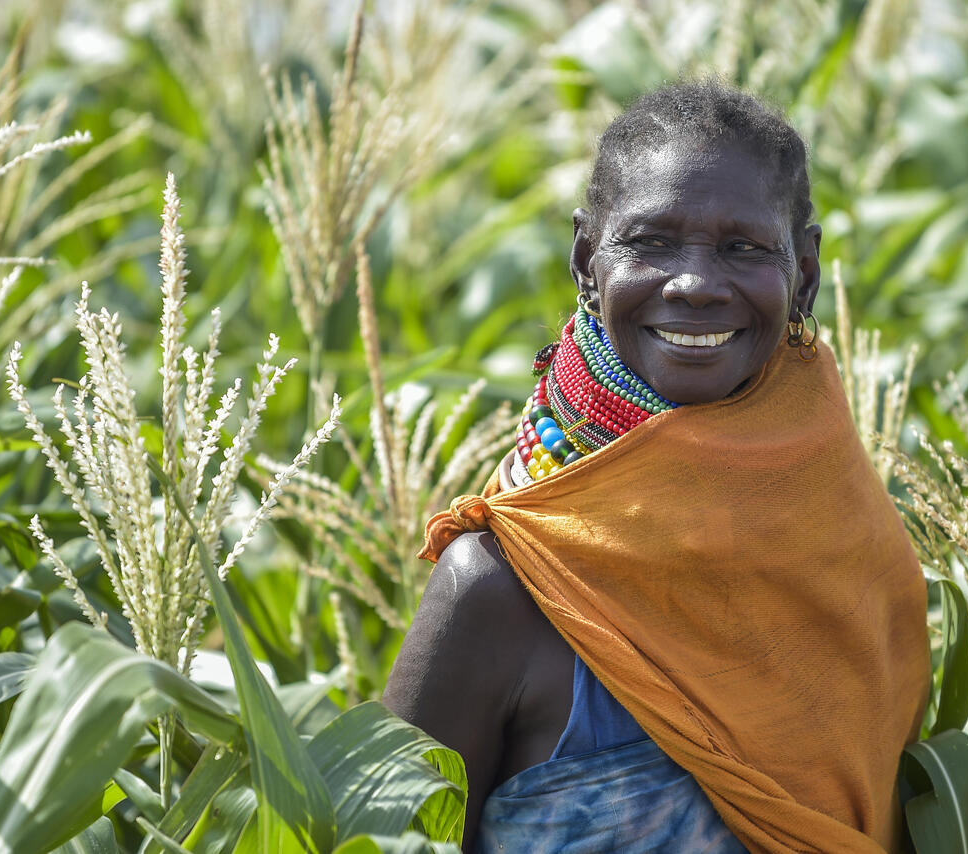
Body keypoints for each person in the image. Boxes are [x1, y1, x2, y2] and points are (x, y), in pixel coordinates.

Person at [382, 80, 930, 854]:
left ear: (804, 272)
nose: (696, 284)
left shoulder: (861, 563)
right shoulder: (500, 590)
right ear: (586, 256)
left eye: (743, 248)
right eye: (650, 242)